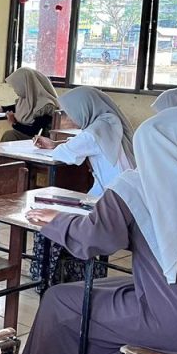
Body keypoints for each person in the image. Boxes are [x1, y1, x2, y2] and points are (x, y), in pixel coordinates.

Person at [20, 107, 177, 354]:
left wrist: (58, 220)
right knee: (109, 290)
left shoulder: (137, 186)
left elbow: (92, 240)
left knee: (59, 301)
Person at [30, 86, 136, 291]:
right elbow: (80, 145)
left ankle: (52, 278)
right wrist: (56, 144)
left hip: (112, 202)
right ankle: (79, 273)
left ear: (84, 109)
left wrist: (56, 147)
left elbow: (66, 154)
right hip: (122, 197)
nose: (69, 117)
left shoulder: (95, 132)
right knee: (65, 209)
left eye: (71, 112)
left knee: (48, 220)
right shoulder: (109, 122)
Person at [0, 67, 59, 141]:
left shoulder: (46, 106)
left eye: (16, 86)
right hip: (29, 136)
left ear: (26, 85)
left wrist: (14, 123)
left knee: (10, 135)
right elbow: (18, 107)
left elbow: (34, 131)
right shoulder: (29, 99)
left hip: (39, 140)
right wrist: (1, 109)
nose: (15, 90)